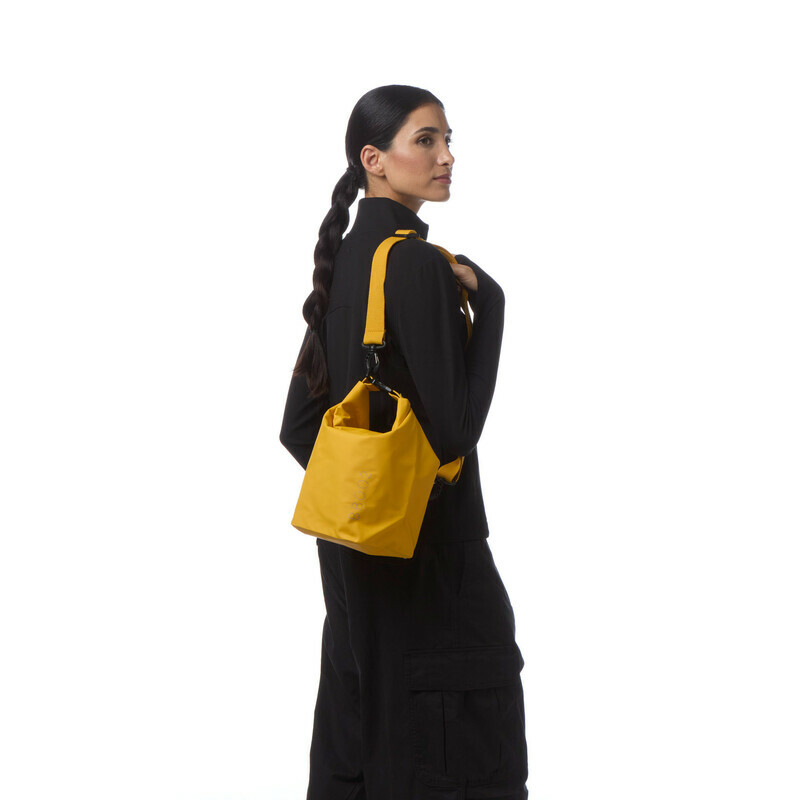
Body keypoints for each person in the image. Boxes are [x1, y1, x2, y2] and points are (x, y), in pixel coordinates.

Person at [279, 85, 528, 800]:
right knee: (455, 751)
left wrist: (366, 497)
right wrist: (493, 307)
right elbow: (453, 435)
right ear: (374, 159)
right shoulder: (417, 265)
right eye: (426, 140)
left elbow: (299, 422)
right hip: (434, 556)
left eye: (449, 140)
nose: (447, 156)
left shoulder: (344, 260)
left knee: (360, 739)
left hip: (350, 556)